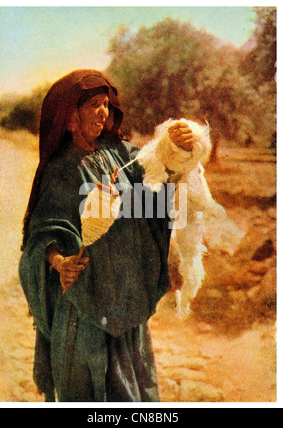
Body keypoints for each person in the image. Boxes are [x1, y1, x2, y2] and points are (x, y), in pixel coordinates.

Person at [19, 69, 194, 402]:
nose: (104, 113)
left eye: (106, 105)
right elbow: (43, 232)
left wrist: (178, 143)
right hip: (87, 308)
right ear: (70, 116)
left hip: (125, 299)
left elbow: (155, 170)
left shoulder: (117, 153)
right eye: (95, 104)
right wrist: (60, 262)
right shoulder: (62, 168)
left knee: (133, 389)